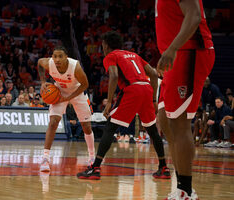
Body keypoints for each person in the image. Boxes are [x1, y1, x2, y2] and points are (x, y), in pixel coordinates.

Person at [77, 31, 170, 180]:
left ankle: (95, 168)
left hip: (132, 90)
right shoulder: (134, 55)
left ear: (106, 45)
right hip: (146, 89)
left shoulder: (111, 56)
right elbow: (153, 74)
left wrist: (108, 102)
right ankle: (164, 167)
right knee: (152, 131)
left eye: (102, 45)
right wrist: (153, 99)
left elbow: (113, 75)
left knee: (110, 127)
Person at [155, 0, 215, 199]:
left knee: (179, 123)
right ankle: (181, 186)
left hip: (188, 51)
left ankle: (186, 191)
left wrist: (172, 49)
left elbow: (194, 16)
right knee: (164, 119)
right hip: (176, 53)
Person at [38, 46, 95, 172]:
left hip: (78, 92)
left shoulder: (75, 66)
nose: (57, 59)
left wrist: (69, 98)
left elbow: (85, 84)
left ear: (66, 57)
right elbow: (39, 63)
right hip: (59, 91)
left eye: (60, 56)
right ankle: (45, 158)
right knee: (53, 123)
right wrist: (43, 82)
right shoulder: (49, 63)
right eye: (55, 56)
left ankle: (92, 157)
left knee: (86, 126)